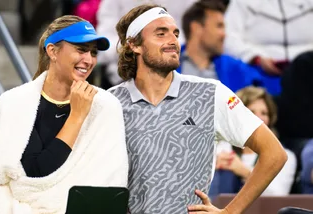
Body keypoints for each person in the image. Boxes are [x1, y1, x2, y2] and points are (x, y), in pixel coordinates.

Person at [108, 4, 287, 214]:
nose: (173, 41)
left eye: (175, 33)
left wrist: (230, 212)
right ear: (134, 45)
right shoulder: (110, 102)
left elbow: (275, 154)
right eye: (160, 33)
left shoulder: (211, 93)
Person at [0, 15, 128, 214]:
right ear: (52, 51)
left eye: (93, 52)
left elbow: (110, 184)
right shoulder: (15, 103)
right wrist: (77, 117)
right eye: (81, 49)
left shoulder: (106, 106)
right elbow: (33, 176)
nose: (88, 60)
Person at [178, 0, 280, 95]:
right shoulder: (167, 66)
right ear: (197, 28)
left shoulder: (237, 70)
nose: (224, 34)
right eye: (219, 26)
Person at [211, 86, 297, 198]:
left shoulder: (285, 156)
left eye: (264, 113)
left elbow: (278, 197)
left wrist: (244, 171)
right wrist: (212, 165)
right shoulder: (221, 148)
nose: (258, 118)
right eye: (251, 112)